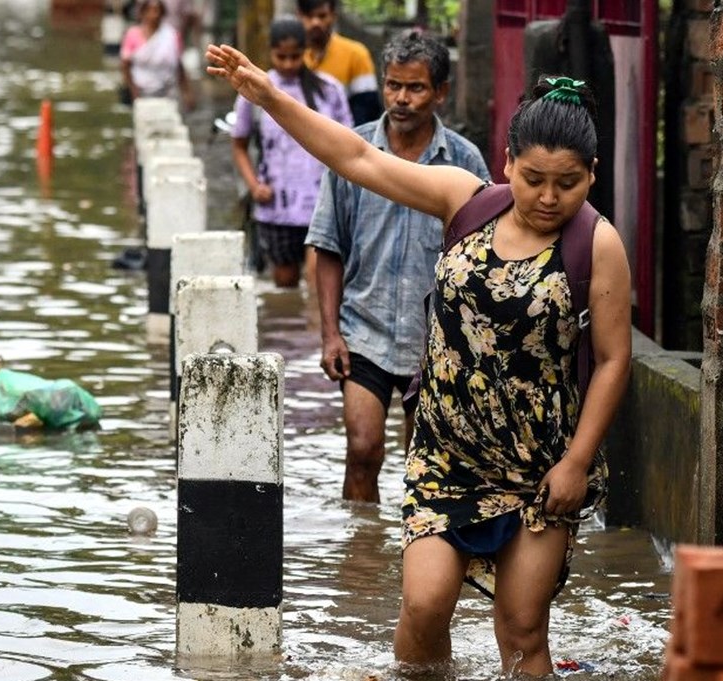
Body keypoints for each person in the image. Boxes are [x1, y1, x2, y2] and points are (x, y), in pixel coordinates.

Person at [206, 43, 632, 677]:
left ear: (592, 174)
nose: (548, 198)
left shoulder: (597, 244)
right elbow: (356, 157)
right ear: (506, 163)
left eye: (567, 183)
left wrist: (575, 463)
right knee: (425, 604)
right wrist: (269, 97)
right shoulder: (466, 201)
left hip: (540, 465)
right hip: (448, 455)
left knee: (521, 629)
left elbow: (613, 361)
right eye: (533, 179)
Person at [305, 30, 489, 503]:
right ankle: (359, 558)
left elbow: (485, 261)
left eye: (415, 88)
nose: (401, 99)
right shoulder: (352, 155)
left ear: (441, 92)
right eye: (393, 86)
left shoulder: (465, 163)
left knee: (425, 464)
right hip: (363, 331)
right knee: (363, 450)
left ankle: (413, 564)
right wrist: (330, 334)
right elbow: (326, 247)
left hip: (435, 341)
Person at [229, 17, 353, 288]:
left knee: (319, 282)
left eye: (294, 56)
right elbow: (239, 144)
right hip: (276, 206)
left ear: (305, 51)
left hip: (323, 202)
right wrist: (253, 186)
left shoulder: (329, 90)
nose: (287, 64)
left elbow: (350, 147)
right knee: (285, 285)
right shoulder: (255, 89)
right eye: (281, 56)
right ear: (270, 52)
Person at [296, 0, 381, 124]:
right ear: (299, 16)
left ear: (333, 15)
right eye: (309, 16)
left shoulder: (356, 54)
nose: (315, 22)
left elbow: (367, 110)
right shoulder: (292, 58)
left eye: (322, 16)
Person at [120, 0, 196, 110]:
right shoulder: (133, 34)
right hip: (141, 92)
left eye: (157, 11)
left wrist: (187, 93)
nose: (154, 15)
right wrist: (132, 90)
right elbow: (125, 65)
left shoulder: (172, 36)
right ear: (143, 13)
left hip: (168, 93)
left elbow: (179, 66)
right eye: (150, 10)